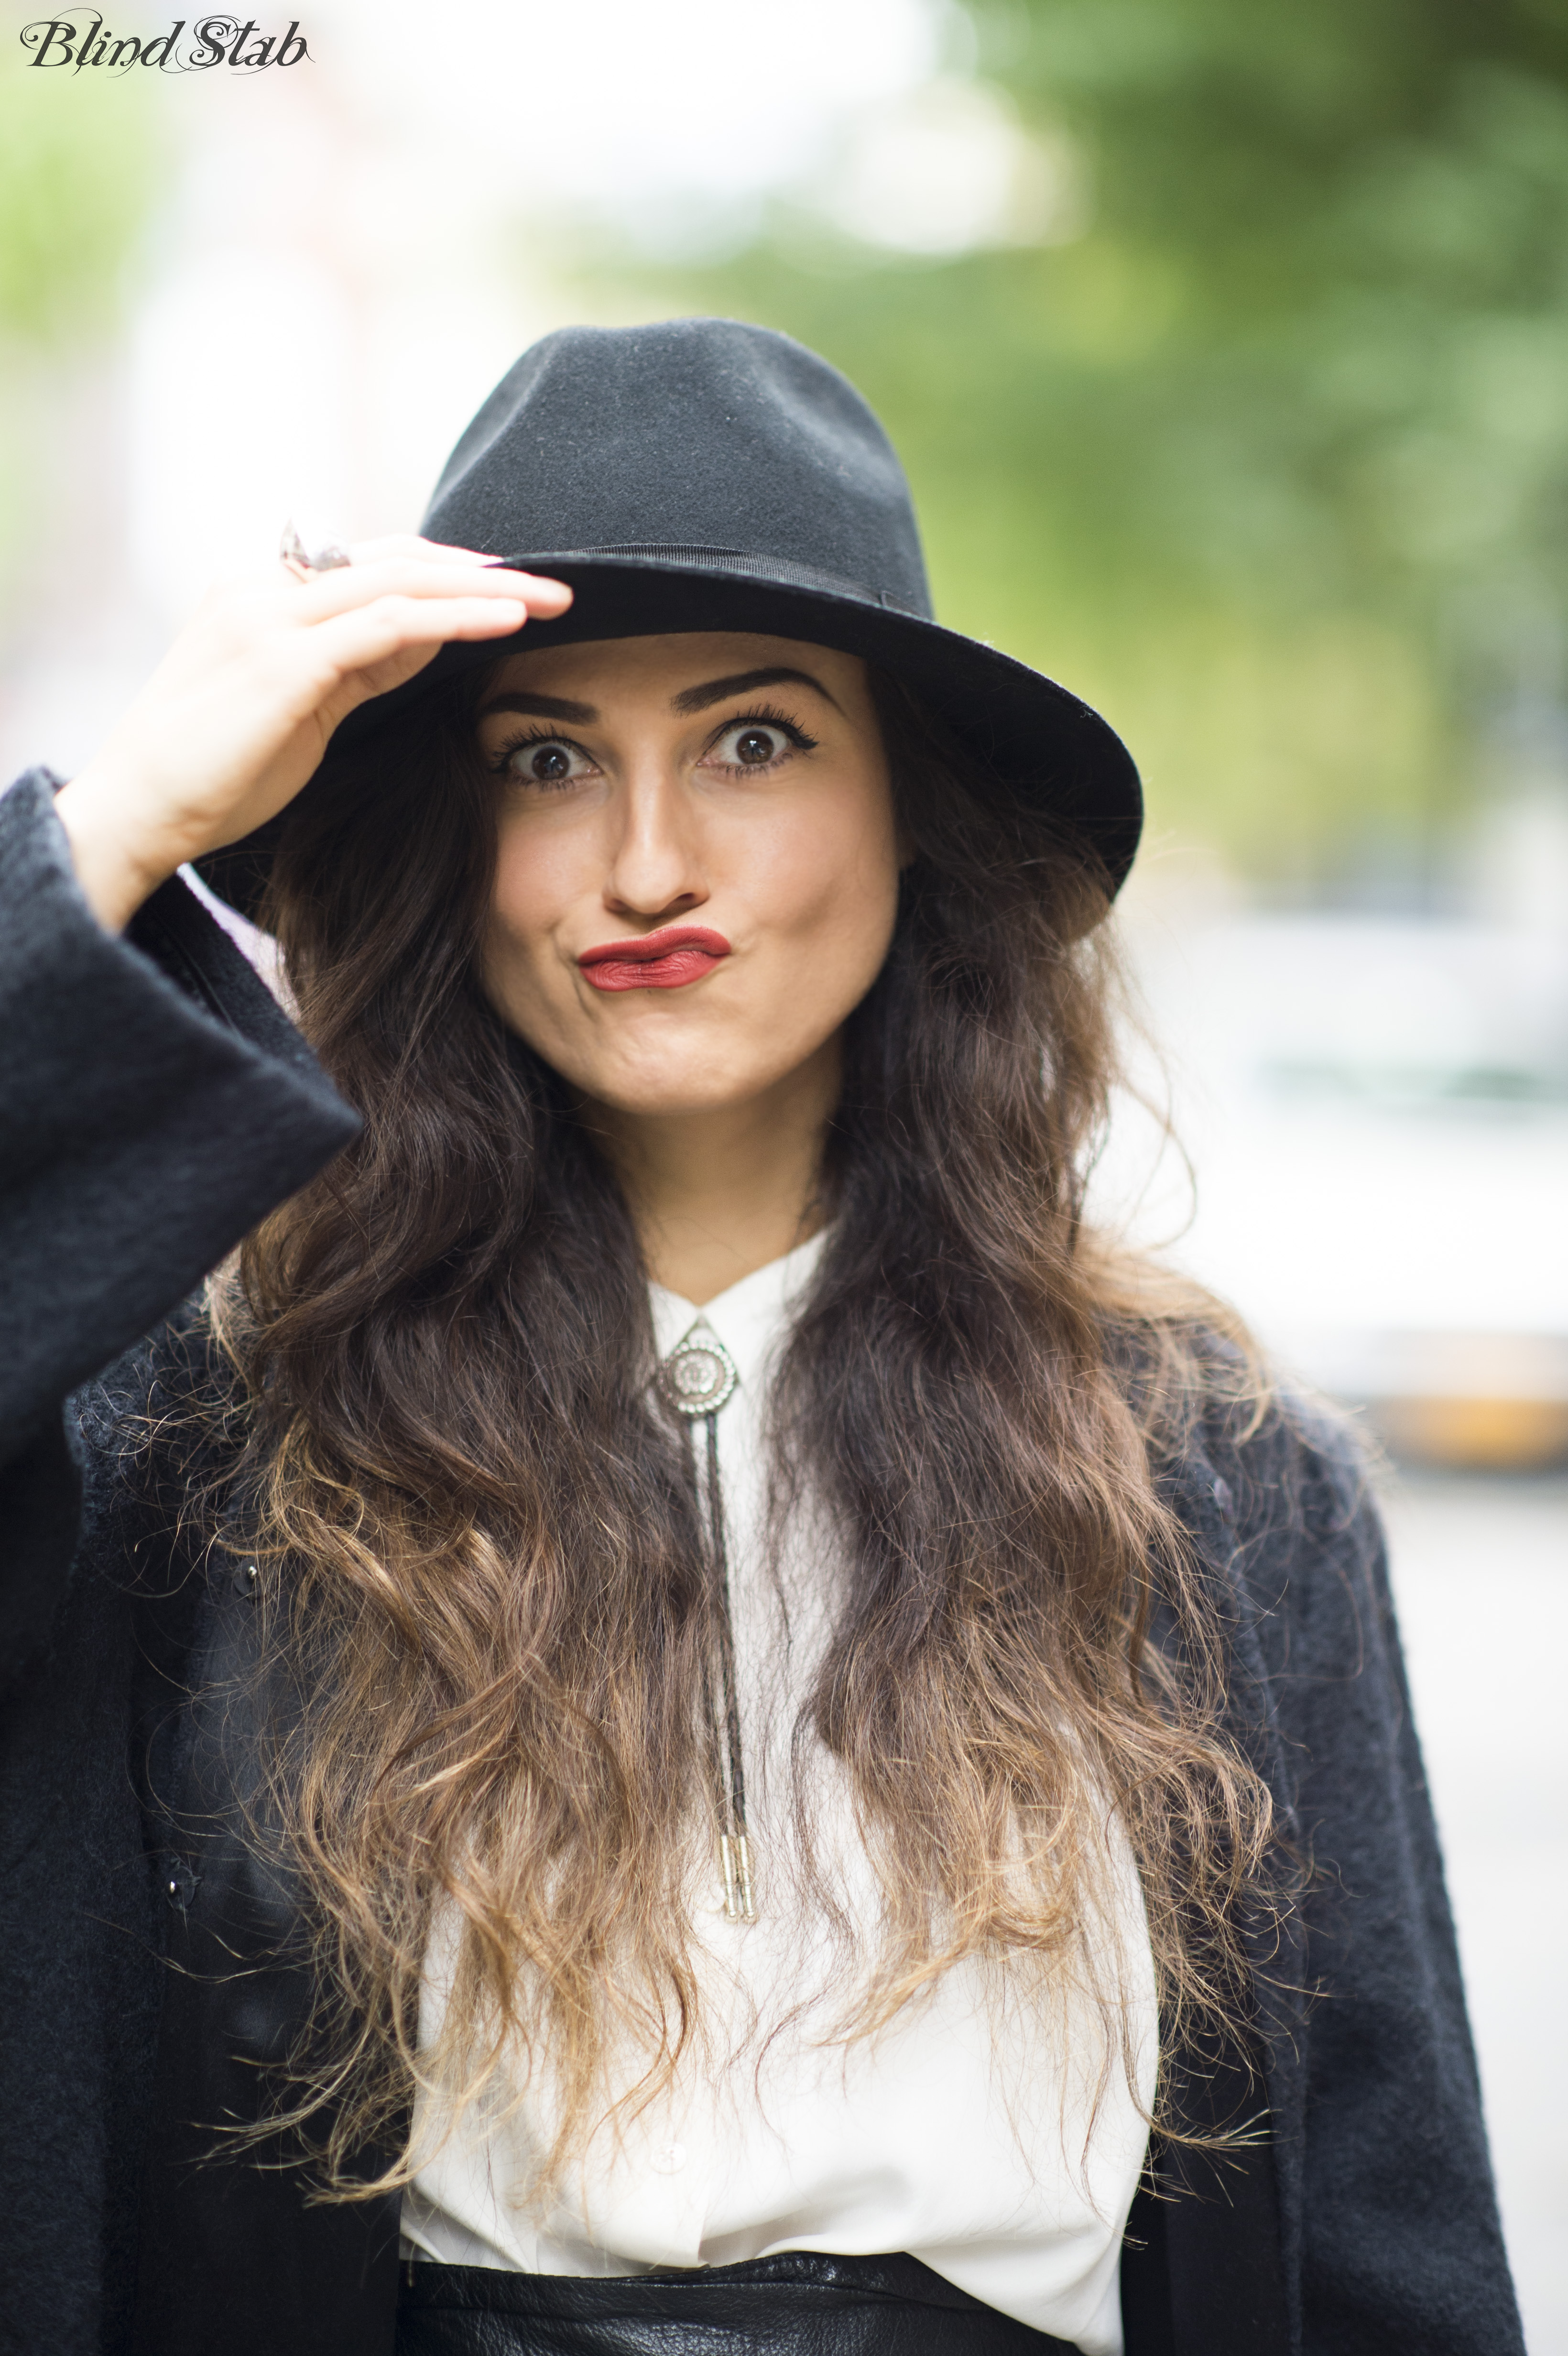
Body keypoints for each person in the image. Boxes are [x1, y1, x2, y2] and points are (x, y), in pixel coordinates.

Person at [0, 319, 1522, 2356]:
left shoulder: (1210, 1465)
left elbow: (1385, 2248)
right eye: (544, 759)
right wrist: (112, 829)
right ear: (451, 845)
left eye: (753, 739)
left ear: (917, 811)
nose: (645, 859)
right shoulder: (198, 1444)